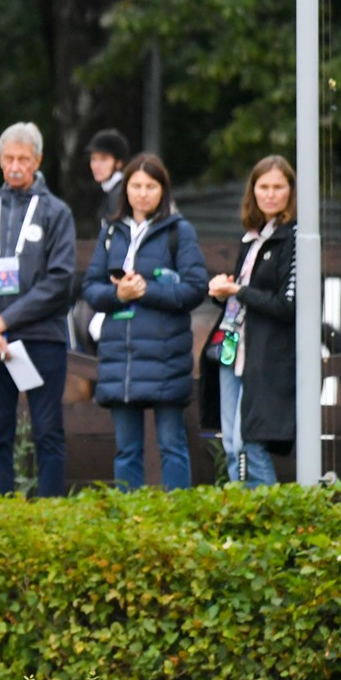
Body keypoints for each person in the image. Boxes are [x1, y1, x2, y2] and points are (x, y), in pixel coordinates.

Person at [0, 122, 78, 498]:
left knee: (47, 430)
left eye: (23, 159)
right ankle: (2, 509)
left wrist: (4, 320)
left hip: (41, 338)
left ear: (37, 160)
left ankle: (49, 510)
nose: (15, 166)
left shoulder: (56, 213)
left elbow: (60, 281)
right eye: (8, 158)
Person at [80, 154, 209, 491]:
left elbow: (195, 289)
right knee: (126, 450)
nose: (142, 193)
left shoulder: (179, 231)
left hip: (166, 355)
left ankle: (176, 515)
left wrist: (147, 291)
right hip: (121, 358)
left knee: (172, 445)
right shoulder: (111, 232)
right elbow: (90, 288)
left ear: (163, 190)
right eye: (135, 186)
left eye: (150, 186)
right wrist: (118, 294)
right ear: (125, 190)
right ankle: (129, 516)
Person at [202, 156, 298, 487]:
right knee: (231, 442)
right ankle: (242, 509)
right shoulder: (251, 238)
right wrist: (222, 292)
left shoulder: (294, 238)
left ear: (291, 191)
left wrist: (238, 291)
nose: (270, 194)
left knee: (250, 442)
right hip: (231, 346)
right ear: (252, 191)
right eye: (263, 187)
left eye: (278, 187)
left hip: (266, 354)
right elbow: (243, 295)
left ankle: (267, 511)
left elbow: (289, 305)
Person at [84, 129, 130, 230]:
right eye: (93, 159)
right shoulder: (110, 191)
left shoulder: (120, 193)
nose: (96, 165)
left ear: (119, 163)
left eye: (103, 159)